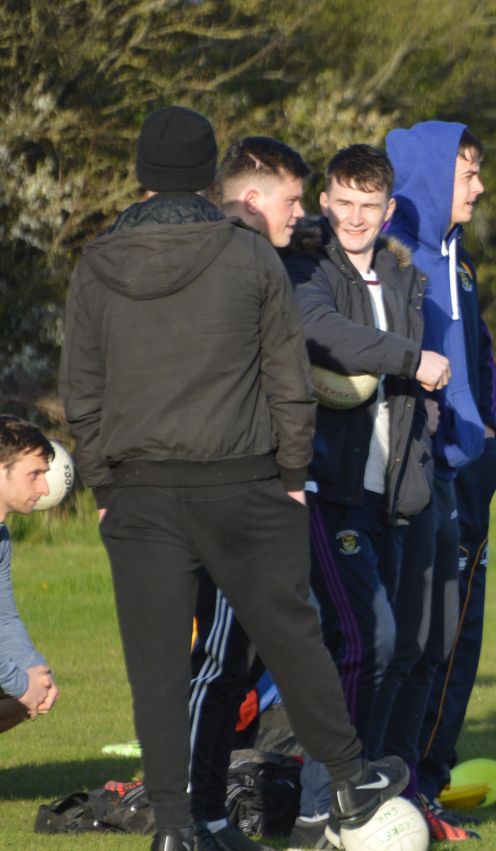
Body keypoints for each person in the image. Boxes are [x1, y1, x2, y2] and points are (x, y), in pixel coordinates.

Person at [58, 105, 410, 851]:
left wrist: (103, 486)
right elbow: (288, 379)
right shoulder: (248, 257)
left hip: (141, 490)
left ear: (145, 173)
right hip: (243, 481)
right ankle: (349, 777)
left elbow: (81, 390)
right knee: (291, 634)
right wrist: (290, 474)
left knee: (155, 665)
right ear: (206, 172)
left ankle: (176, 828)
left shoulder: (96, 263)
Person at [282, 143, 449, 845]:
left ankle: (365, 794)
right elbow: (319, 331)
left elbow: (428, 389)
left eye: (368, 206)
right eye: (342, 203)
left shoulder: (405, 279)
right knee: (364, 637)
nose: (354, 217)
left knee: (402, 646)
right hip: (332, 487)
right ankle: (321, 804)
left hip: (400, 490)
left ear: (388, 211)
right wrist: (410, 360)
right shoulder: (307, 268)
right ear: (325, 201)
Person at [182, 135, 313, 851]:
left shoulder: (186, 256)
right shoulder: (241, 264)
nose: (303, 212)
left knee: (213, 663)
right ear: (254, 198)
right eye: (293, 198)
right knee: (218, 668)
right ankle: (195, 817)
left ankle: (196, 813)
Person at [383, 120, 494, 842]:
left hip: (472, 479)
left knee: (457, 640)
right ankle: (402, 785)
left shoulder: (459, 263)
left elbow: (476, 370)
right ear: (428, 174)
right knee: (417, 641)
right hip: (424, 481)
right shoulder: (404, 263)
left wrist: (490, 447)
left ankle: (429, 778)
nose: (480, 188)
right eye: (468, 174)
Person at [0, 416, 58, 736]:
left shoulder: (1, 537)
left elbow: (4, 618)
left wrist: (37, 672)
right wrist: (23, 683)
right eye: (34, 474)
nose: (45, 488)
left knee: (27, 690)